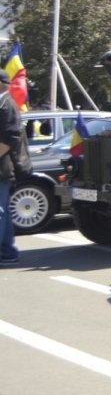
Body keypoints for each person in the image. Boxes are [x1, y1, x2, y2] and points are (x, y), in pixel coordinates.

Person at [0, 70, 32, 265]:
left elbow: (10, 138)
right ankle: (8, 252)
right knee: (3, 211)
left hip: (2, 168)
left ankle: (7, 252)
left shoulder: (7, 104)